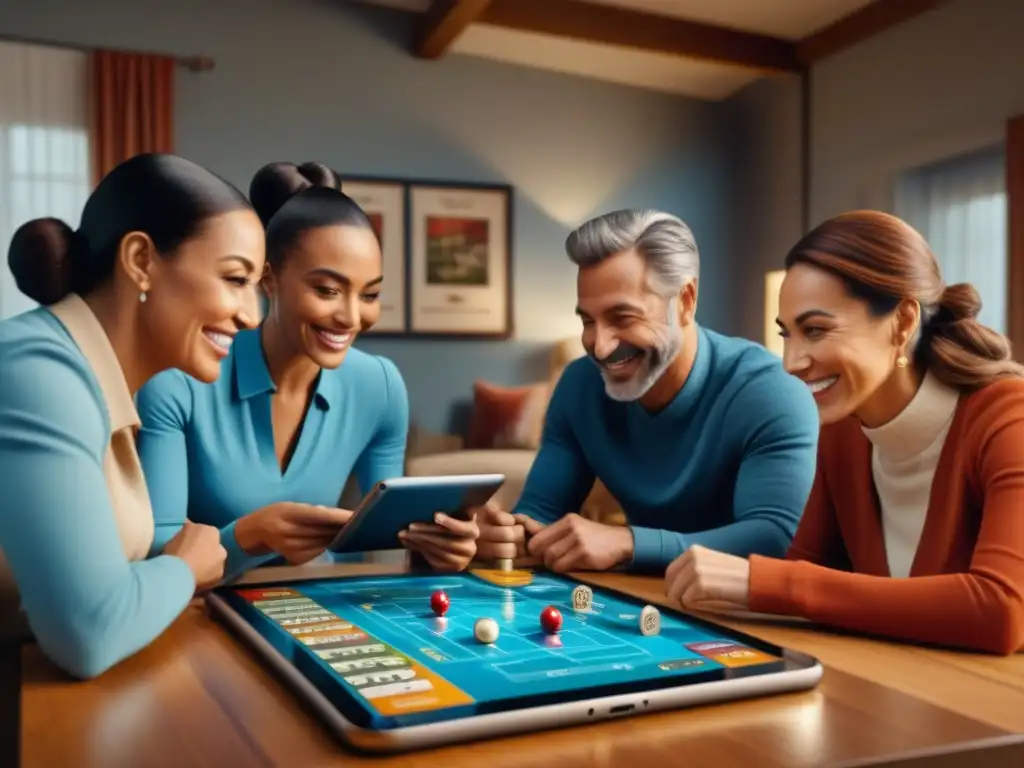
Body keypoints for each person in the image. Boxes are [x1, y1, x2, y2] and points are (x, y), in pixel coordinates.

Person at [665, 210, 1024, 655]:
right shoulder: (843, 433)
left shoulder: (1008, 418)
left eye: (815, 330)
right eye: (788, 335)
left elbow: (1001, 610)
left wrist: (766, 581)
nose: (791, 362)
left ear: (904, 321)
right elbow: (802, 581)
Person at [136, 162, 478, 580]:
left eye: (369, 294)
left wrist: (440, 548)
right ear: (268, 279)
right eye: (327, 290)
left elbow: (389, 541)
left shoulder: (380, 386)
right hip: (201, 615)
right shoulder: (177, 382)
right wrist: (247, 537)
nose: (351, 317)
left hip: (318, 602)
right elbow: (156, 558)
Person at [0, 153, 267, 678]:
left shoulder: (93, 376)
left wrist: (231, 544)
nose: (252, 314)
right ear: (141, 259)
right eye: (235, 278)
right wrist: (183, 569)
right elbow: (88, 631)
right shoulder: (40, 375)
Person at [474, 209, 820, 574]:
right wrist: (502, 536)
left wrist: (628, 542)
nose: (602, 347)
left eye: (623, 317)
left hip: (742, 615)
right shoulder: (578, 386)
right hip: (638, 601)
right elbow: (539, 516)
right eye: (588, 321)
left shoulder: (770, 393)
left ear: (685, 301)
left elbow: (776, 537)